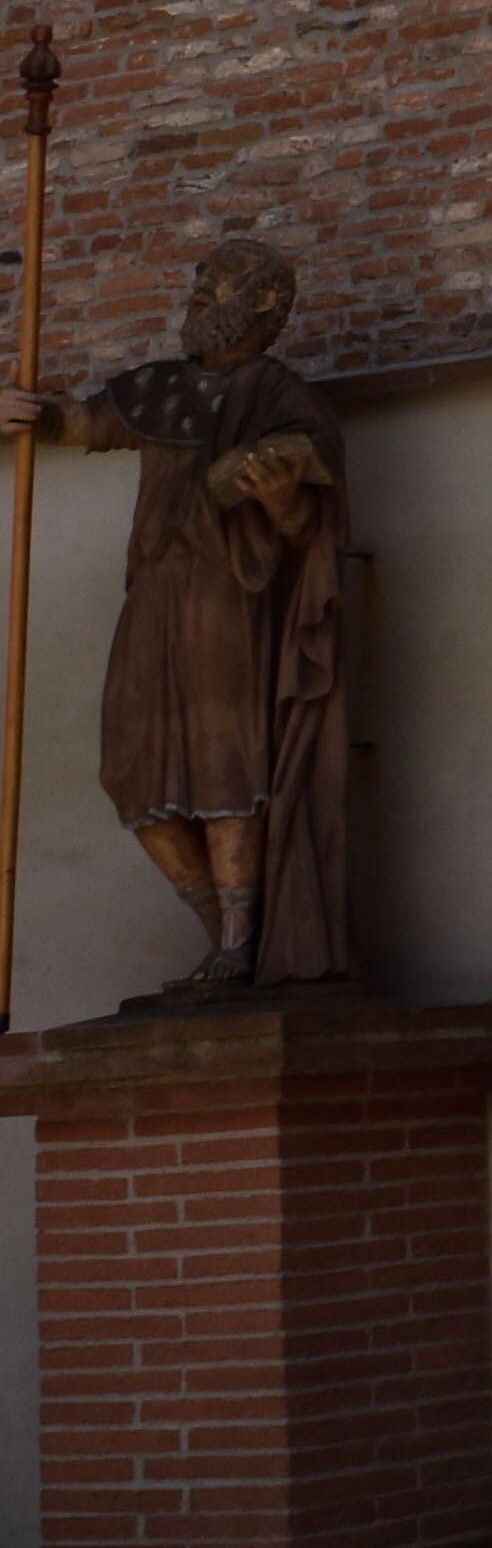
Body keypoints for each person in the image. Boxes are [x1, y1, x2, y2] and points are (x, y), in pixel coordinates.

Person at [0, 236, 349, 1000]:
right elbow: (84, 423)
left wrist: (280, 494)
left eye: (217, 282)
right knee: (130, 770)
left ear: (261, 302)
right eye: (199, 278)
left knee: (224, 760)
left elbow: (306, 527)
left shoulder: (279, 395)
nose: (198, 291)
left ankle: (238, 937)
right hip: (152, 593)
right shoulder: (159, 387)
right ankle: (212, 924)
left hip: (228, 595)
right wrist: (22, 412)